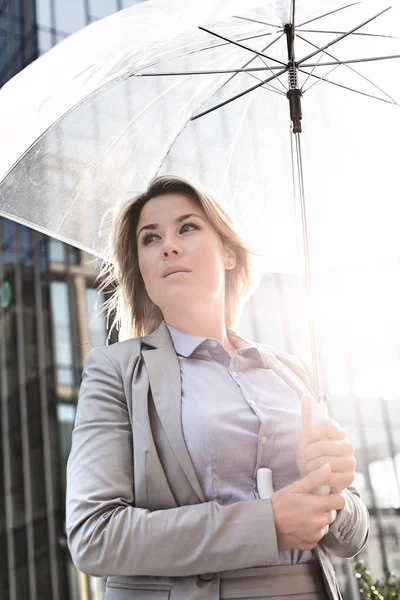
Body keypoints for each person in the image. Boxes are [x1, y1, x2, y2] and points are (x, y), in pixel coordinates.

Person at [66, 175, 369, 600]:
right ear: (144, 271)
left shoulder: (292, 372)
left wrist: (333, 487)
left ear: (228, 253)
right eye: (150, 239)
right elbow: (94, 535)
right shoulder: (115, 370)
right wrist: (267, 525)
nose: (168, 245)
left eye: (186, 227)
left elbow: (351, 538)